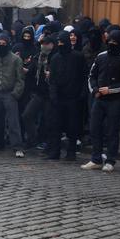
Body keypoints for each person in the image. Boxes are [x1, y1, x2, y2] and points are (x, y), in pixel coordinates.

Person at [81, 30, 120, 172]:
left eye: (115, 43)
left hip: (115, 100)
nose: (112, 45)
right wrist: (95, 90)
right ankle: (96, 158)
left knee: (112, 131)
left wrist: (110, 89)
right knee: (94, 128)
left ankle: (111, 159)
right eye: (110, 42)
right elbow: (91, 75)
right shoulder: (101, 57)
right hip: (99, 98)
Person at [47, 31, 88, 161]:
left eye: (62, 42)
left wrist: (82, 93)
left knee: (72, 126)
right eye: (58, 42)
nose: (60, 44)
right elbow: (52, 79)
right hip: (59, 97)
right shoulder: (55, 58)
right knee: (56, 126)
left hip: (73, 97)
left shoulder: (78, 57)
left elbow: (83, 76)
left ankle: (71, 152)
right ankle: (55, 151)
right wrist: (53, 95)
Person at [21, 36, 55, 150]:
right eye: (42, 43)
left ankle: (46, 142)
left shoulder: (54, 58)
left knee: (48, 120)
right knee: (27, 115)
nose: (44, 46)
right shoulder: (37, 57)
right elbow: (30, 71)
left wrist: (51, 75)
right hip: (38, 93)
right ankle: (33, 138)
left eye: (47, 43)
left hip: (49, 94)